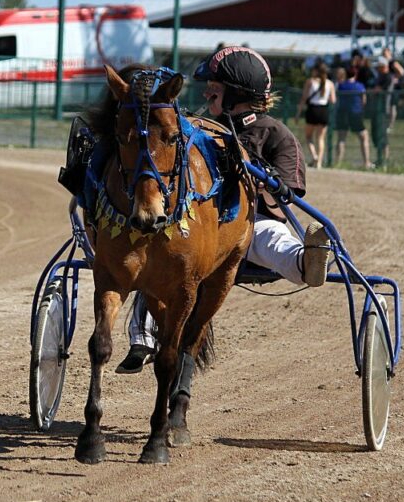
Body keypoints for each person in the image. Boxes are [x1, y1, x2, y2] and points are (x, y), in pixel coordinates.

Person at [118, 46, 332, 374]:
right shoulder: (199, 129)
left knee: (272, 240)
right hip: (201, 225)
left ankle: (306, 262)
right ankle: (143, 337)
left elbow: (282, 202)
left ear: (236, 94)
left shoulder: (277, 135)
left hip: (252, 221)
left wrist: (262, 183)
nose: (206, 94)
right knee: (158, 255)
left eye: (214, 89)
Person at [296, 61, 337, 169]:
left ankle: (314, 156)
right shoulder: (330, 83)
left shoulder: (310, 82)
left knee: (308, 136)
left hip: (313, 109)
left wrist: (298, 113)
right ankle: (318, 163)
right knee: (321, 138)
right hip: (324, 110)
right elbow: (333, 100)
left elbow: (304, 98)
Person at [334, 67, 373, 170]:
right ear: (355, 75)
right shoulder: (359, 86)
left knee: (341, 138)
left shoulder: (341, 85)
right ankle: (366, 162)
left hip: (342, 113)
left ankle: (337, 162)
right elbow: (363, 100)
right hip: (355, 113)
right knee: (364, 137)